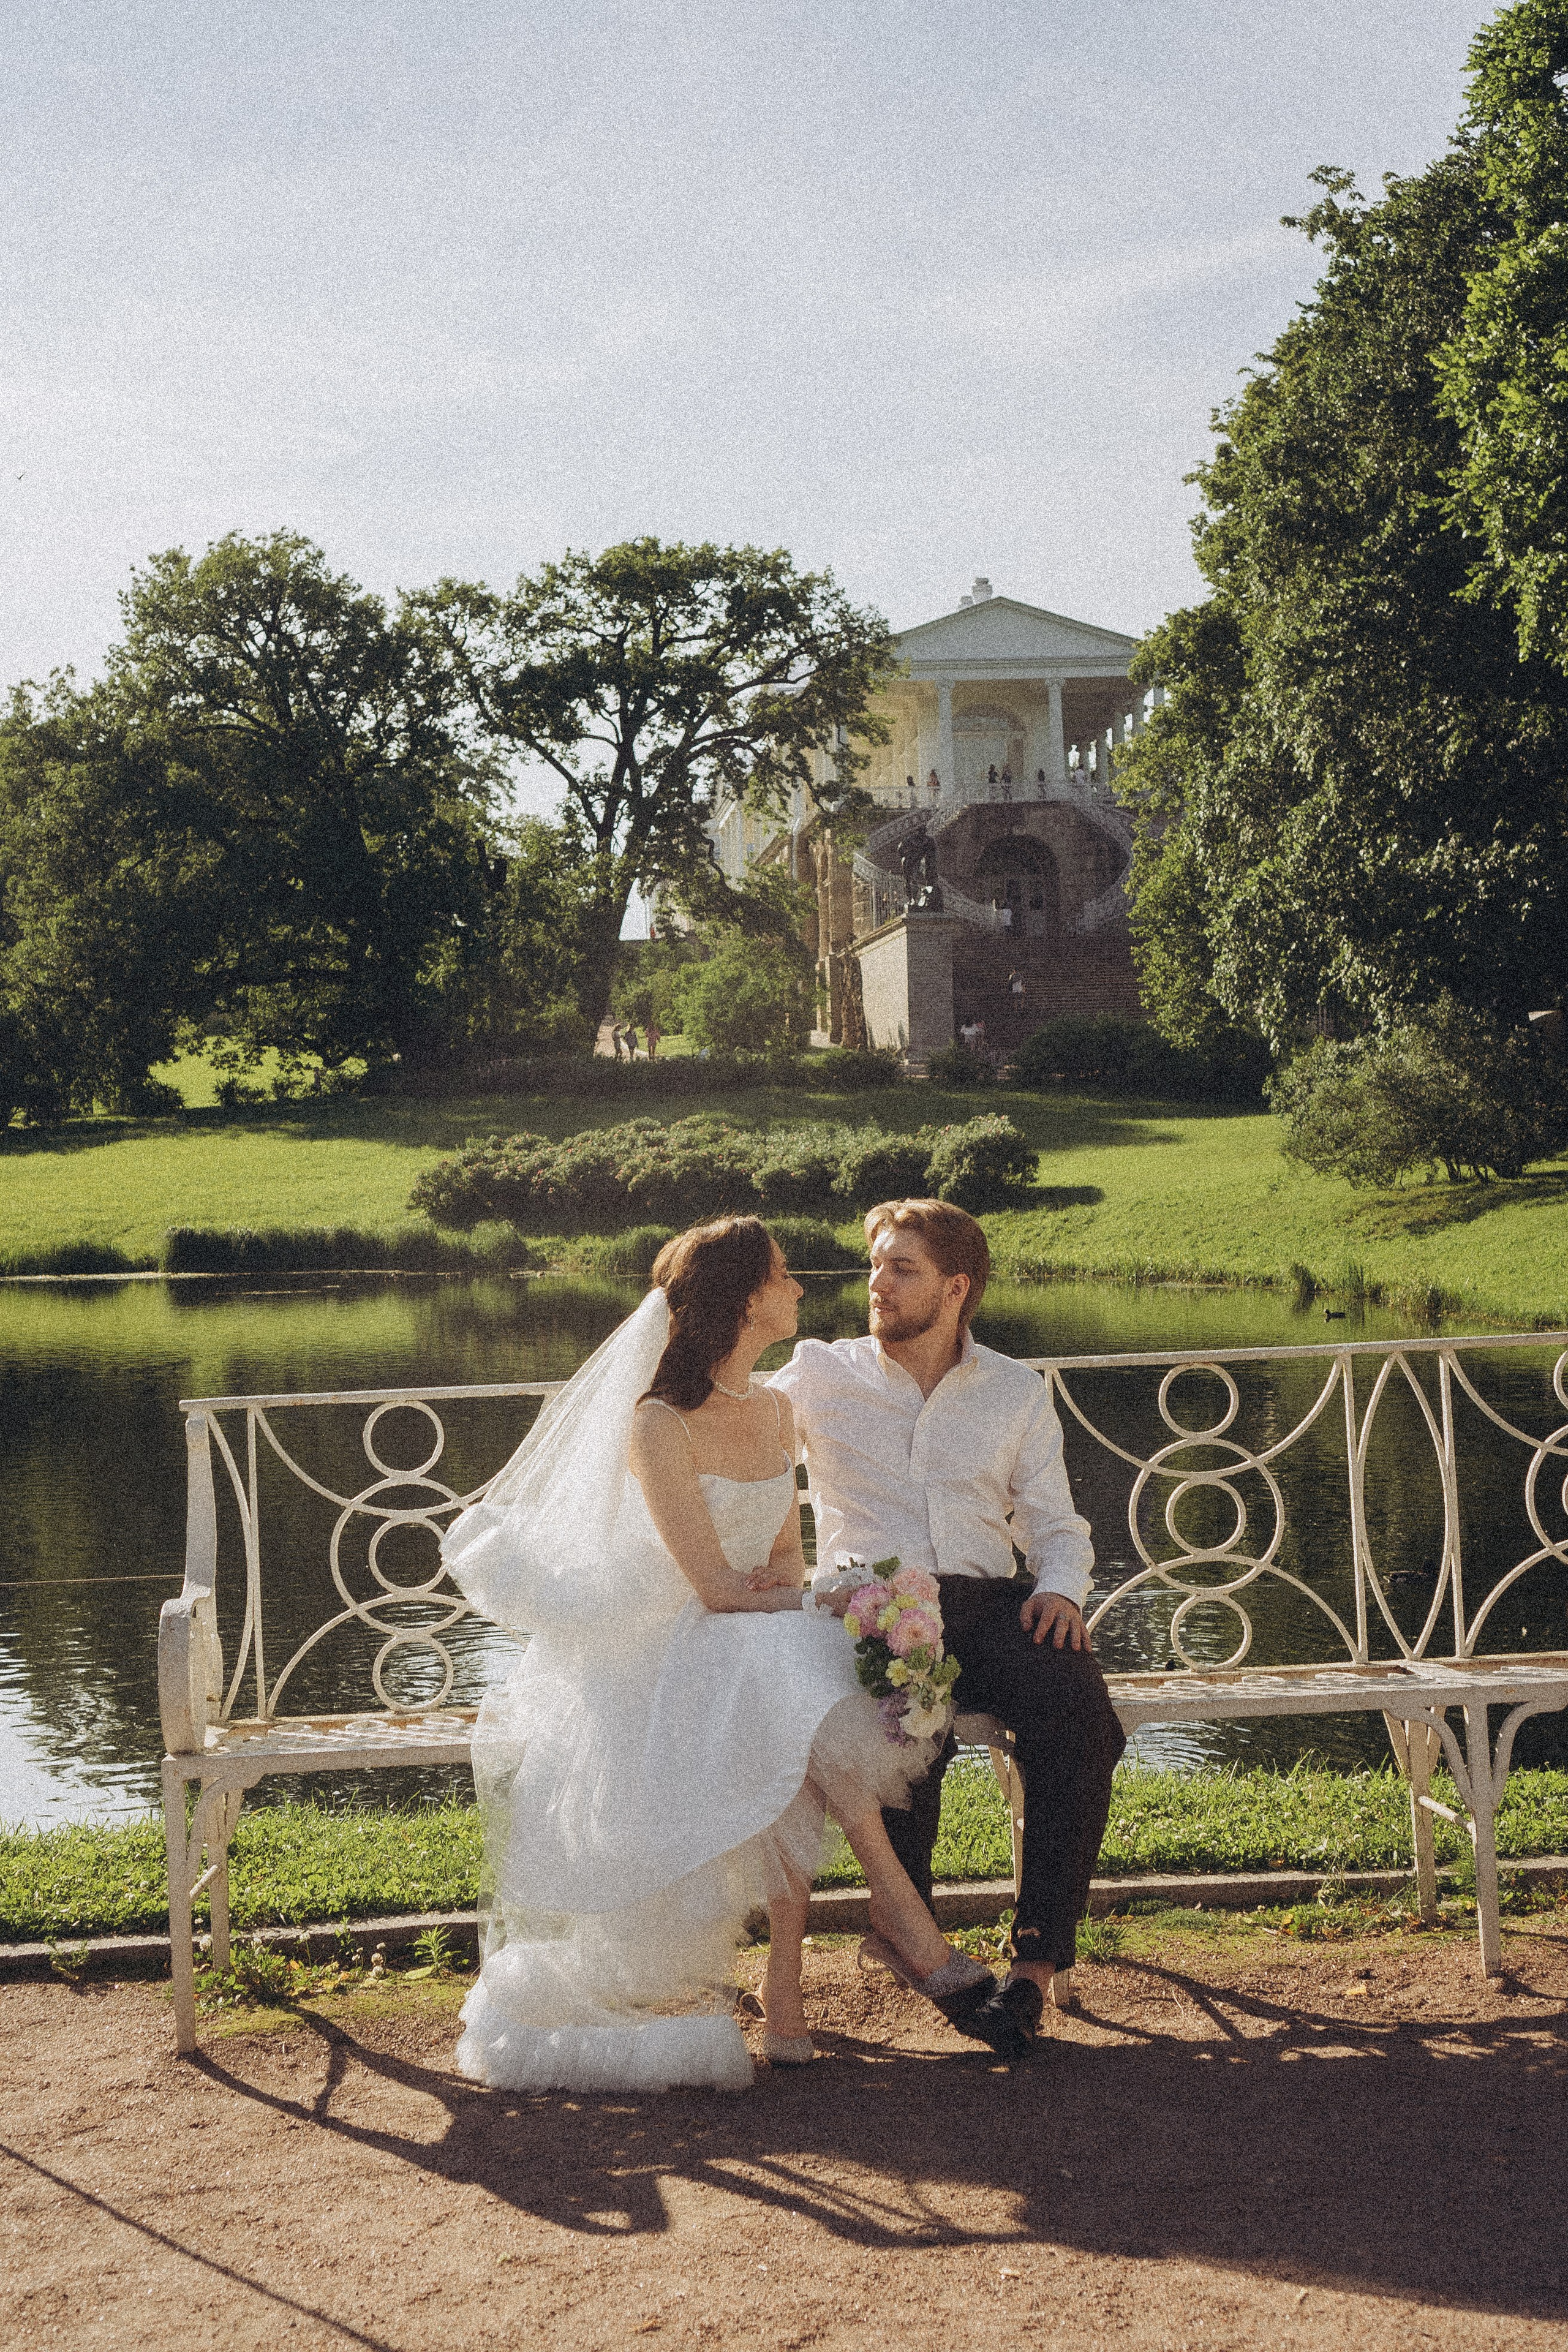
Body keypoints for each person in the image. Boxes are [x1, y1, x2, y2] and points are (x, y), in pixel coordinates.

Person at [441, 1217, 995, 2094]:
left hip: (747, 1634)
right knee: (791, 1680)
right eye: (782, 1275)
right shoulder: (658, 1421)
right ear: (743, 1299)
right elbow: (708, 1584)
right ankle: (900, 1941)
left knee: (794, 1681)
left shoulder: (779, 1411)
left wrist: (796, 1596)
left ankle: (793, 1980)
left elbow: (781, 1561)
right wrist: (786, 1600)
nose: (801, 1289)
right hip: (660, 1649)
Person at [774, 1199, 1127, 2063]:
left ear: (956, 1287)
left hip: (990, 1603)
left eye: (902, 1269)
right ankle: (914, 1938)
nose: (877, 1284)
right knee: (908, 1728)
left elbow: (1056, 1524)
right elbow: (732, 1439)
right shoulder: (820, 1373)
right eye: (875, 1266)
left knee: (1081, 1717)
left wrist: (1062, 1592)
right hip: (875, 1605)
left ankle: (1035, 1967)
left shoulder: (1013, 1389)